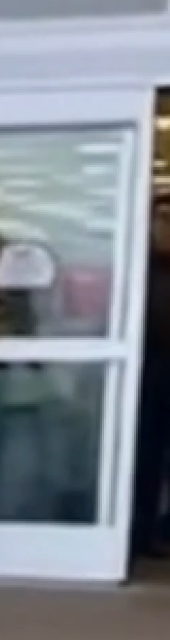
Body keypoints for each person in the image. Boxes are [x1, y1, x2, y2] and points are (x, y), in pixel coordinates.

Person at [132, 192, 170, 565]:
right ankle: (140, 531)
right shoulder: (138, 270)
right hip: (147, 368)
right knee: (146, 453)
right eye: (161, 219)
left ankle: (160, 530)